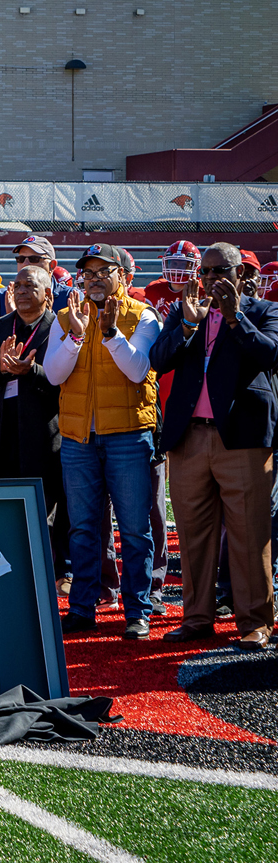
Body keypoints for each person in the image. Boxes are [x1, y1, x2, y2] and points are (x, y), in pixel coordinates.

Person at [150, 242, 278, 651]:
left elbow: (269, 353)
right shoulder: (184, 312)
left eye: (220, 270)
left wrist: (235, 315)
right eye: (204, 272)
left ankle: (256, 621)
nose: (210, 279)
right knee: (193, 534)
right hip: (189, 438)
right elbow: (158, 360)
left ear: (242, 274)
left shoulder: (263, 311)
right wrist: (187, 327)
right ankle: (197, 618)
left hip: (241, 438)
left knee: (249, 532)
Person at [44, 242, 161, 640]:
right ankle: (81, 608)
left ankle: (137, 611)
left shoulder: (142, 315)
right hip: (79, 438)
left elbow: (137, 370)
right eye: (88, 274)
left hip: (128, 436)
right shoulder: (65, 317)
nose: (94, 281)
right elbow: (54, 375)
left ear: (123, 276)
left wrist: (110, 334)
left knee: (133, 528)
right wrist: (75, 337)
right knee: (82, 528)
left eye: (102, 272)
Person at [0, 265, 65, 576]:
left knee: (39, 514)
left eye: (29, 285)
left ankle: (40, 578)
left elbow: (65, 385)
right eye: (16, 285)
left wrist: (29, 371)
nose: (20, 290)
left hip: (39, 435)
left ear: (48, 294)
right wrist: (0, 369)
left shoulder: (59, 330)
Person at [0, 236, 71, 318]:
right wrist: (11, 319)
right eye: (21, 259)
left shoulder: (70, 297)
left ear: (52, 265)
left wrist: (48, 317)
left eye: (34, 259)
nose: (25, 264)